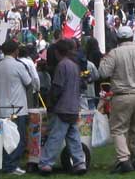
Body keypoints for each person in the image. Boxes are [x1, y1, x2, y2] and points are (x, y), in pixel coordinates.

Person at [99, 26, 135, 174]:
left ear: (118, 39)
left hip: (121, 96)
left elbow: (103, 72)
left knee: (118, 129)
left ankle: (124, 160)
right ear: (132, 37)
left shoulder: (114, 54)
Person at [38, 39, 87, 175]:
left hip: (62, 107)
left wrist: (51, 102)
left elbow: (58, 87)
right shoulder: (75, 66)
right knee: (73, 137)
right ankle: (79, 162)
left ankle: (46, 163)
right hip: (73, 106)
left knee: (55, 136)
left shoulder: (62, 65)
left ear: (57, 52)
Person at [0, 40, 32, 175]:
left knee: (7, 138)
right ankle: (11, 165)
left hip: (3, 106)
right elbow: (28, 82)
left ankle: (7, 163)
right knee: (17, 138)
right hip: (17, 107)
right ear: (15, 51)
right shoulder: (18, 65)